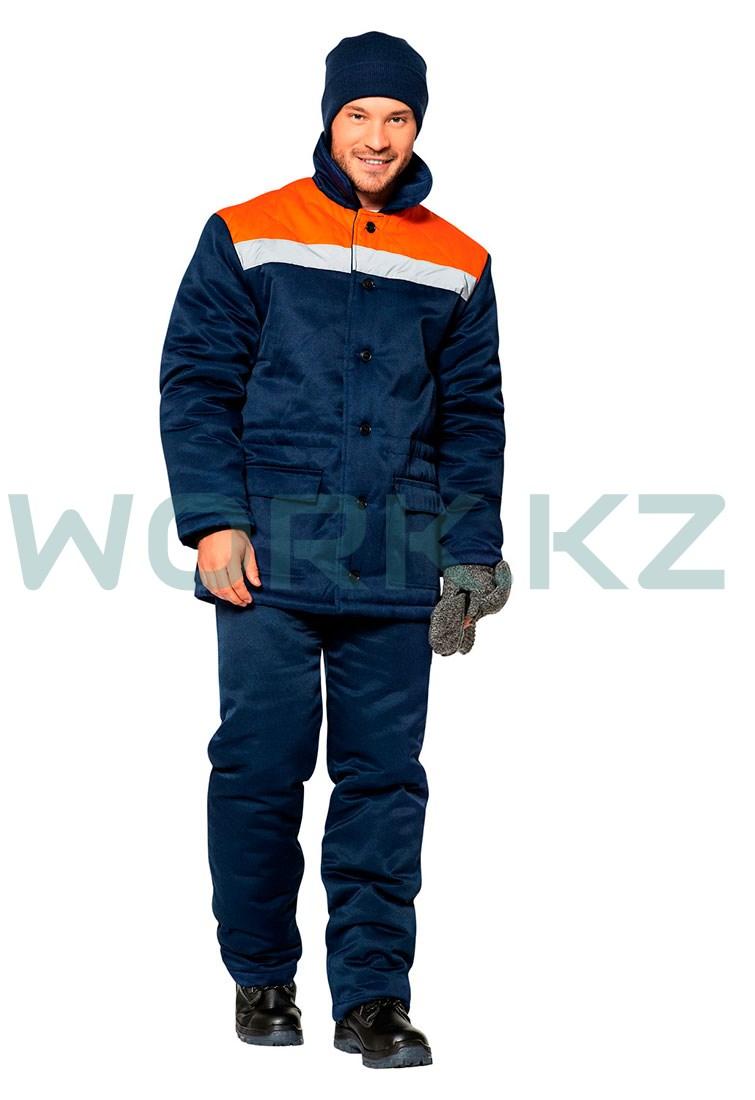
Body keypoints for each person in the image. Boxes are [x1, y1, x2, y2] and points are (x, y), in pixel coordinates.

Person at [158, 29, 511, 1070]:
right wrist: (213, 517)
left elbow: (474, 417)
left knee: (384, 783)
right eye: (360, 114)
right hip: (266, 558)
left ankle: (373, 999)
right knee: (259, 768)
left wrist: (471, 553)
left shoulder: (459, 260)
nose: (377, 136)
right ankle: (262, 974)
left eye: (398, 117)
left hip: (397, 560)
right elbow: (197, 381)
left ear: (418, 126)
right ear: (329, 117)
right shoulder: (248, 231)